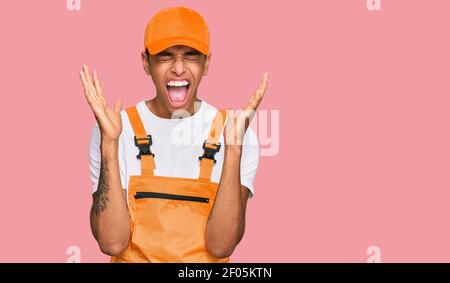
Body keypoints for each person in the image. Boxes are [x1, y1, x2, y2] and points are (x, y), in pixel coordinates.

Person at [79, 6, 268, 263]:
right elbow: (112, 241)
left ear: (207, 63)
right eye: (165, 56)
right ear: (146, 62)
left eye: (191, 56)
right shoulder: (115, 128)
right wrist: (109, 143)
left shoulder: (235, 131)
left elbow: (221, 245)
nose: (178, 69)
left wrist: (233, 149)